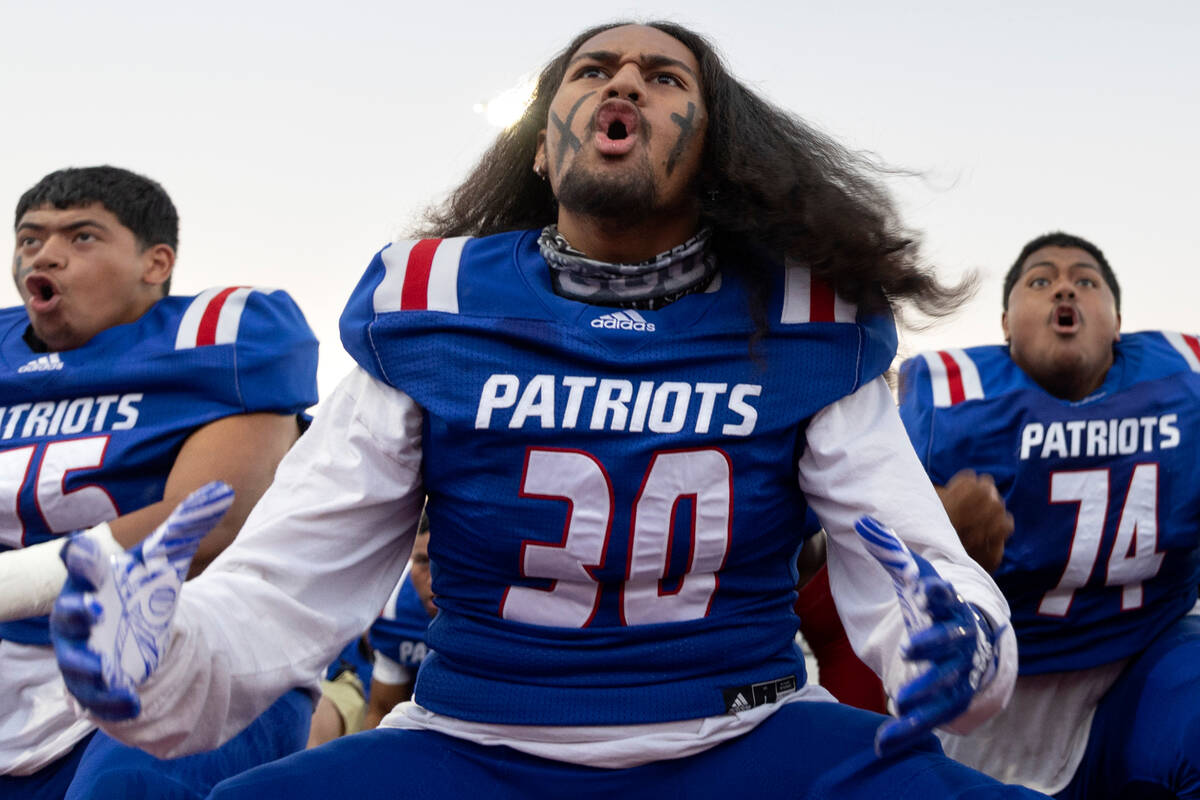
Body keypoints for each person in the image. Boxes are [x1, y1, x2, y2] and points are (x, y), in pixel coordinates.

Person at [52, 23, 1045, 799]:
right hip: (477, 741)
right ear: (539, 149)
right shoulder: (437, 307)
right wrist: (165, 652)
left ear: (712, 150)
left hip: (747, 733)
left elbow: (915, 564)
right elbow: (286, 584)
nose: (622, 84)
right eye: (592, 70)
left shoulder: (797, 317)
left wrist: (958, 640)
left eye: (665, 80)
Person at [0, 166, 320, 799]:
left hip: (184, 651)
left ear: (156, 262)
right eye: (30, 238)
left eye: (81, 237)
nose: (47, 254)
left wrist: (11, 585)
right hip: (16, 657)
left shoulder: (222, 335)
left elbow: (206, 522)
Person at [898, 231, 1200, 797]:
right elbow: (846, 552)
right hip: (996, 682)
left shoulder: (1185, 386)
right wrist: (928, 533)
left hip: (1141, 661)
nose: (1065, 286)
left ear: (1116, 321)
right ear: (1007, 323)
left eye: (1086, 280)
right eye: (1040, 280)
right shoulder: (949, 405)